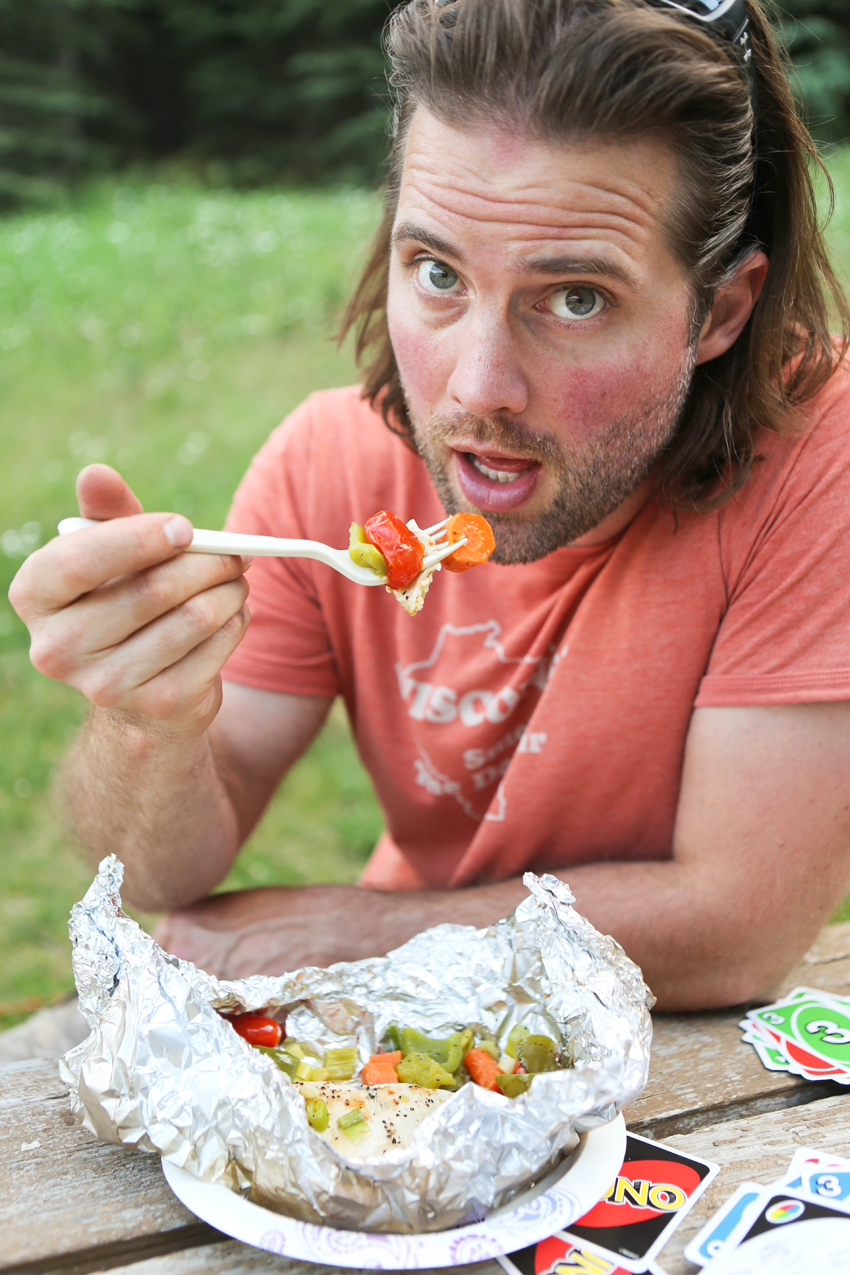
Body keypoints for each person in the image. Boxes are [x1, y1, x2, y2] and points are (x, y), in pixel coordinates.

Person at [10, 0, 850, 1013]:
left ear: (718, 310)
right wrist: (149, 718)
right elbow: (160, 876)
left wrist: (356, 933)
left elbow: (733, 931)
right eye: (439, 272)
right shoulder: (329, 466)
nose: (474, 390)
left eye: (575, 296)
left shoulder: (816, 454)